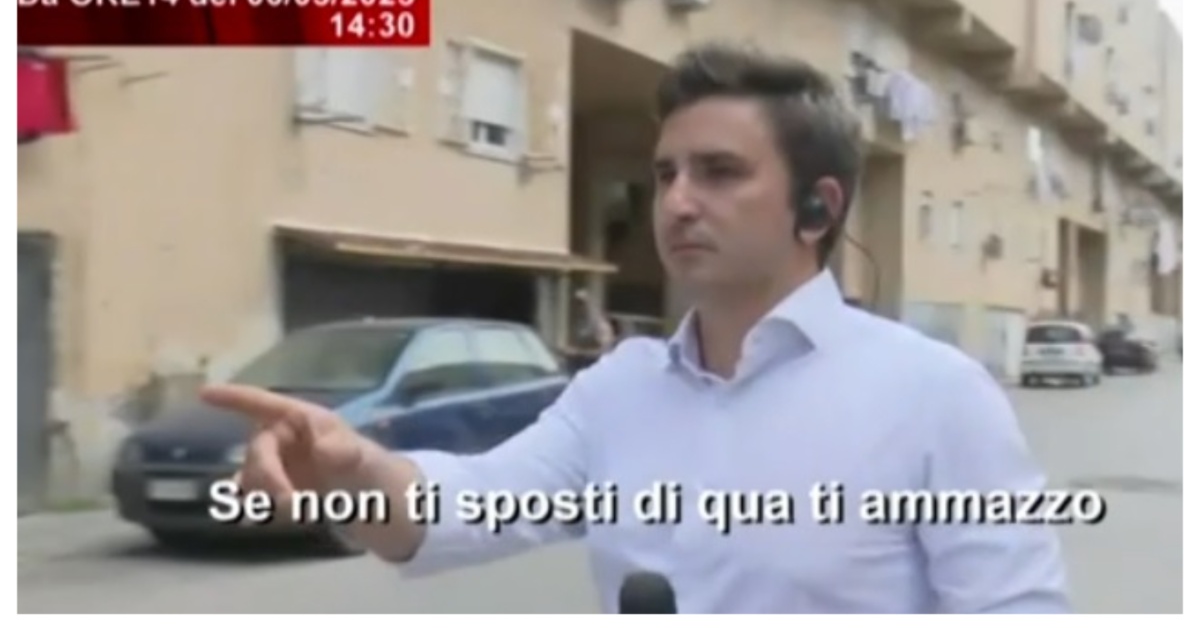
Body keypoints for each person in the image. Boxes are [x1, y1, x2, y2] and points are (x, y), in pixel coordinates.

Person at [202, 42, 1069, 613]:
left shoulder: (933, 394)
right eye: (665, 173)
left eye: (719, 172)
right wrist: (353, 471)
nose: (677, 201)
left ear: (817, 206)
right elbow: (460, 510)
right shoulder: (620, 388)